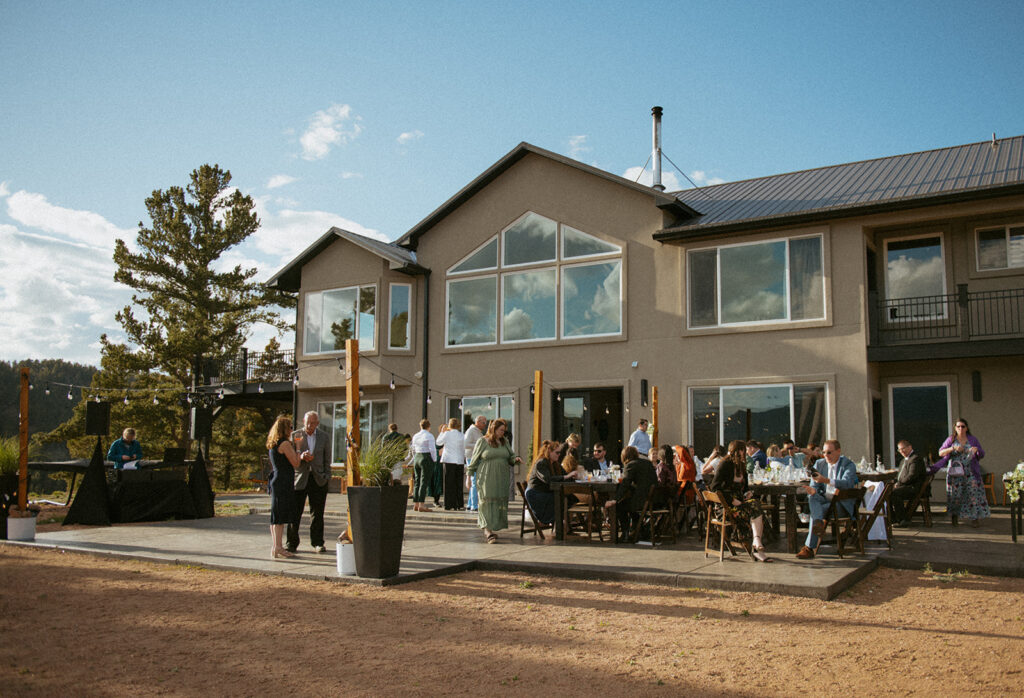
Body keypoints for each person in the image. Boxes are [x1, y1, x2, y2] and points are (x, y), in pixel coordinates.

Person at [709, 440, 771, 562]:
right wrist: (731, 500)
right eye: (742, 450)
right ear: (737, 451)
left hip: (740, 502)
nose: (745, 453)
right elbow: (714, 488)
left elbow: (745, 487)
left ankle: (756, 541)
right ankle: (757, 548)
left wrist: (747, 493)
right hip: (725, 507)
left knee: (755, 505)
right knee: (756, 511)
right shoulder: (725, 464)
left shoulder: (741, 465)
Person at [796, 439, 858, 560]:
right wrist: (813, 490)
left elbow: (848, 483)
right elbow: (815, 485)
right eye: (824, 452)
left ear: (838, 451)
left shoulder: (848, 464)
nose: (826, 456)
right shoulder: (819, 464)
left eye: (829, 452)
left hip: (840, 503)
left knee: (815, 514)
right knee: (812, 497)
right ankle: (818, 524)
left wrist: (827, 481)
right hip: (824, 501)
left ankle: (809, 548)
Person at [466, 418, 520, 543]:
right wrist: (468, 477)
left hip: (502, 476)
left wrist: (516, 459)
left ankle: (493, 526)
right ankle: (487, 530)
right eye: (501, 430)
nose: (503, 432)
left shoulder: (504, 441)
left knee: (497, 501)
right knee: (486, 501)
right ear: (494, 429)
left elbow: (511, 456)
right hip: (486, 475)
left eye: (504, 430)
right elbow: (473, 461)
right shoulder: (482, 441)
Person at [286, 411, 332, 553]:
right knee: (295, 512)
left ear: (317, 423)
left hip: (318, 479)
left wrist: (326, 476)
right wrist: (301, 456)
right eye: (307, 422)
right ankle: (291, 543)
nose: (309, 425)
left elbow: (327, 459)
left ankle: (317, 542)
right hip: (300, 478)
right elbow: (290, 457)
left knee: (317, 513)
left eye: (312, 423)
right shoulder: (296, 435)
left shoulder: (324, 437)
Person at [932, 419, 989, 527]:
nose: (960, 429)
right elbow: (940, 452)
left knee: (973, 494)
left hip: (970, 472)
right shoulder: (951, 439)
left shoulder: (972, 439)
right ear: (955, 428)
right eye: (958, 426)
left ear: (967, 428)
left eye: (963, 426)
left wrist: (976, 450)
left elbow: (981, 454)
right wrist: (952, 448)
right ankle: (954, 517)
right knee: (955, 495)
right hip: (955, 473)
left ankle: (974, 518)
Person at [603, 446, 657, 543]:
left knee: (620, 506)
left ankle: (625, 533)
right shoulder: (647, 463)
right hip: (654, 500)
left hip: (642, 501)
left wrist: (615, 500)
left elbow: (625, 484)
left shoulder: (631, 465)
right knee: (629, 505)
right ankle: (638, 529)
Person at [266, 415, 300, 559]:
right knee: (280, 516)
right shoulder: (285, 444)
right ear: (284, 429)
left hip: (276, 479)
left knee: (275, 514)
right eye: (290, 427)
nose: (291, 430)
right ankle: (279, 547)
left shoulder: (273, 443)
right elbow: (296, 462)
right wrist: (298, 448)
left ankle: (275, 546)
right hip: (283, 481)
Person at [524, 439, 577, 525]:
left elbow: (565, 475)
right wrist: (566, 476)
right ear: (549, 451)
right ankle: (559, 525)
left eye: (560, 453)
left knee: (570, 497)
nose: (559, 455)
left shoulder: (555, 464)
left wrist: (573, 477)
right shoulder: (541, 463)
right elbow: (547, 479)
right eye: (557, 453)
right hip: (536, 494)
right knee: (560, 499)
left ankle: (563, 523)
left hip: (546, 492)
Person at [891, 439, 927, 526]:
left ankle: (903, 520)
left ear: (910, 447)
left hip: (914, 487)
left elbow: (911, 476)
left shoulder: (915, 458)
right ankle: (893, 519)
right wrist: (894, 483)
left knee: (894, 493)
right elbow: (899, 476)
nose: (901, 451)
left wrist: (898, 484)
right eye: (899, 449)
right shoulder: (903, 461)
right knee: (885, 492)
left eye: (903, 448)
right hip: (904, 486)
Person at [436, 417, 466, 510]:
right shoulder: (462, 435)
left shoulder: (447, 434)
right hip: (459, 460)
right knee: (458, 483)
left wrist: (442, 431)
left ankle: (449, 504)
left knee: (449, 484)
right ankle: (459, 503)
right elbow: (464, 447)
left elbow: (438, 442)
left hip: (449, 460)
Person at [411, 419, 437, 512]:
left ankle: (416, 504)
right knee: (424, 481)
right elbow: (432, 449)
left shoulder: (416, 435)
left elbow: (413, 448)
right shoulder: (429, 435)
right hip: (425, 457)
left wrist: (414, 458)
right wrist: (434, 460)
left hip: (417, 456)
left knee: (417, 481)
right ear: (428, 427)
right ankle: (421, 504)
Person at [463, 415, 487, 512]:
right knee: (474, 481)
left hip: (476, 457)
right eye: (483, 423)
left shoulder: (478, 432)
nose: (485, 425)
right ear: (478, 422)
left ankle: (469, 504)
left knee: (474, 481)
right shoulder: (471, 431)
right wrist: (479, 445)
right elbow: (466, 444)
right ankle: (474, 505)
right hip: (472, 458)